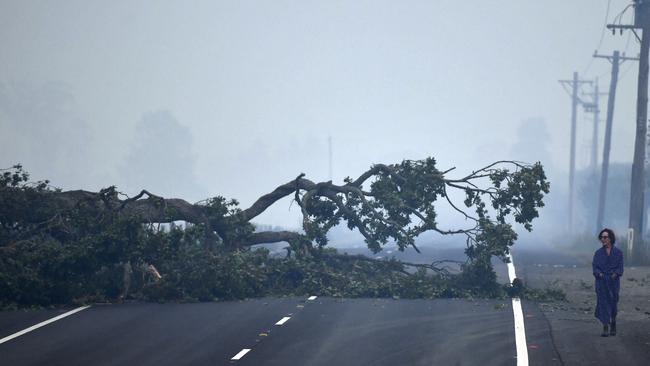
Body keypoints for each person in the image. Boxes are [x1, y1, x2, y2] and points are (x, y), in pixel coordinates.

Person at [592, 228, 624, 337]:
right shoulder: (598, 253)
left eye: (605, 237)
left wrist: (615, 274)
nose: (603, 239)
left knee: (613, 303)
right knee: (603, 303)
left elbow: (620, 268)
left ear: (610, 238)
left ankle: (613, 322)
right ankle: (605, 326)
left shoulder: (618, 253)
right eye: (601, 237)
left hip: (613, 282)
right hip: (601, 282)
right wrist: (599, 274)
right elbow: (595, 268)